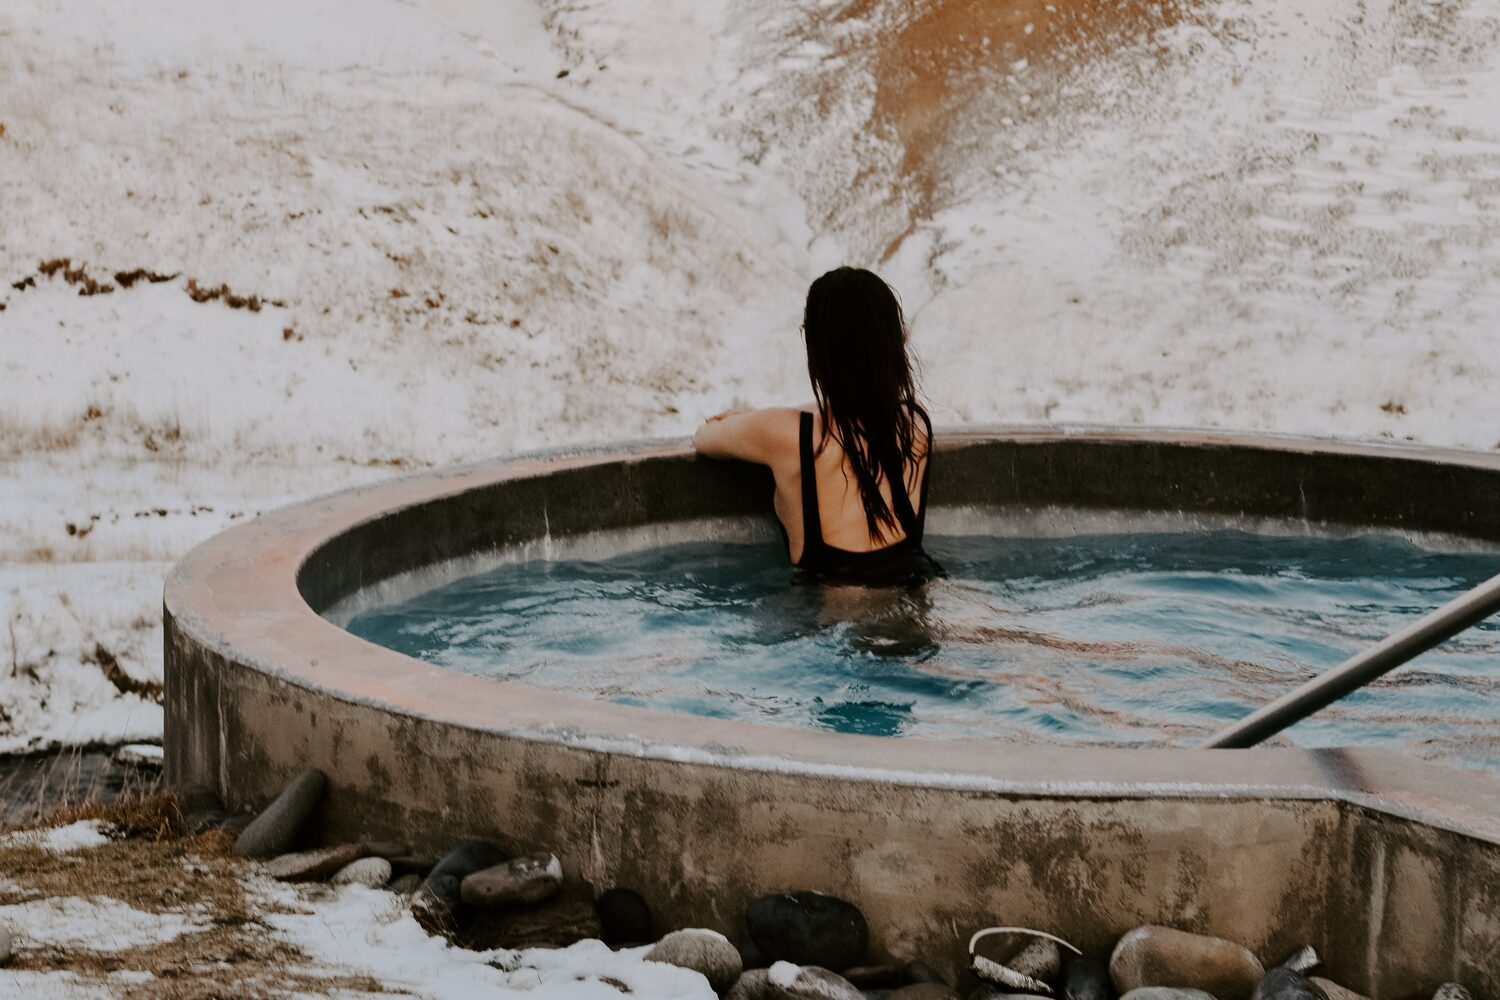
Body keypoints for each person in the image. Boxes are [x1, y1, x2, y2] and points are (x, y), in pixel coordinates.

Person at [693, 266, 944, 588]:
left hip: (843, 614)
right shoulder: (915, 425)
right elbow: (855, 413)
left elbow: (704, 438)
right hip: (925, 587)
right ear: (893, 345)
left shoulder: (786, 434)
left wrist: (750, 419)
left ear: (820, 351)